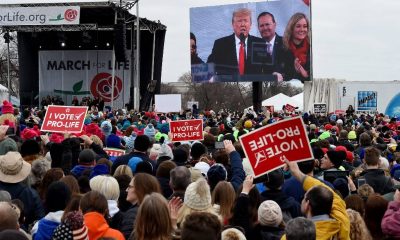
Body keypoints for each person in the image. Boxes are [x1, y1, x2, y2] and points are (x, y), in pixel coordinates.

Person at [282, 158, 350, 239]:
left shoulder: (290, 237)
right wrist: (298, 173)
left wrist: (296, 172)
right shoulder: (342, 224)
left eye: (304, 197)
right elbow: (334, 197)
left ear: (307, 205)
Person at [207, 8, 264, 79]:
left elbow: (269, 68)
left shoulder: (260, 44)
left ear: (250, 25)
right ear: (233, 25)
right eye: (239, 21)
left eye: (246, 21)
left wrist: (275, 73)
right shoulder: (220, 44)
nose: (243, 24)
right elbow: (209, 68)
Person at [257, 12, 291, 82]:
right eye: (261, 26)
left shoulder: (287, 43)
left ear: (274, 25)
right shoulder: (253, 47)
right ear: (258, 28)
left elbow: (292, 71)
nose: (265, 28)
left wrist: (281, 76)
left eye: (267, 24)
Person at [283, 12, 311, 81]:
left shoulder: (311, 48)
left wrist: (305, 74)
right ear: (291, 28)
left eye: (305, 26)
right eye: (298, 26)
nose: (302, 29)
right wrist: (295, 70)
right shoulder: (283, 48)